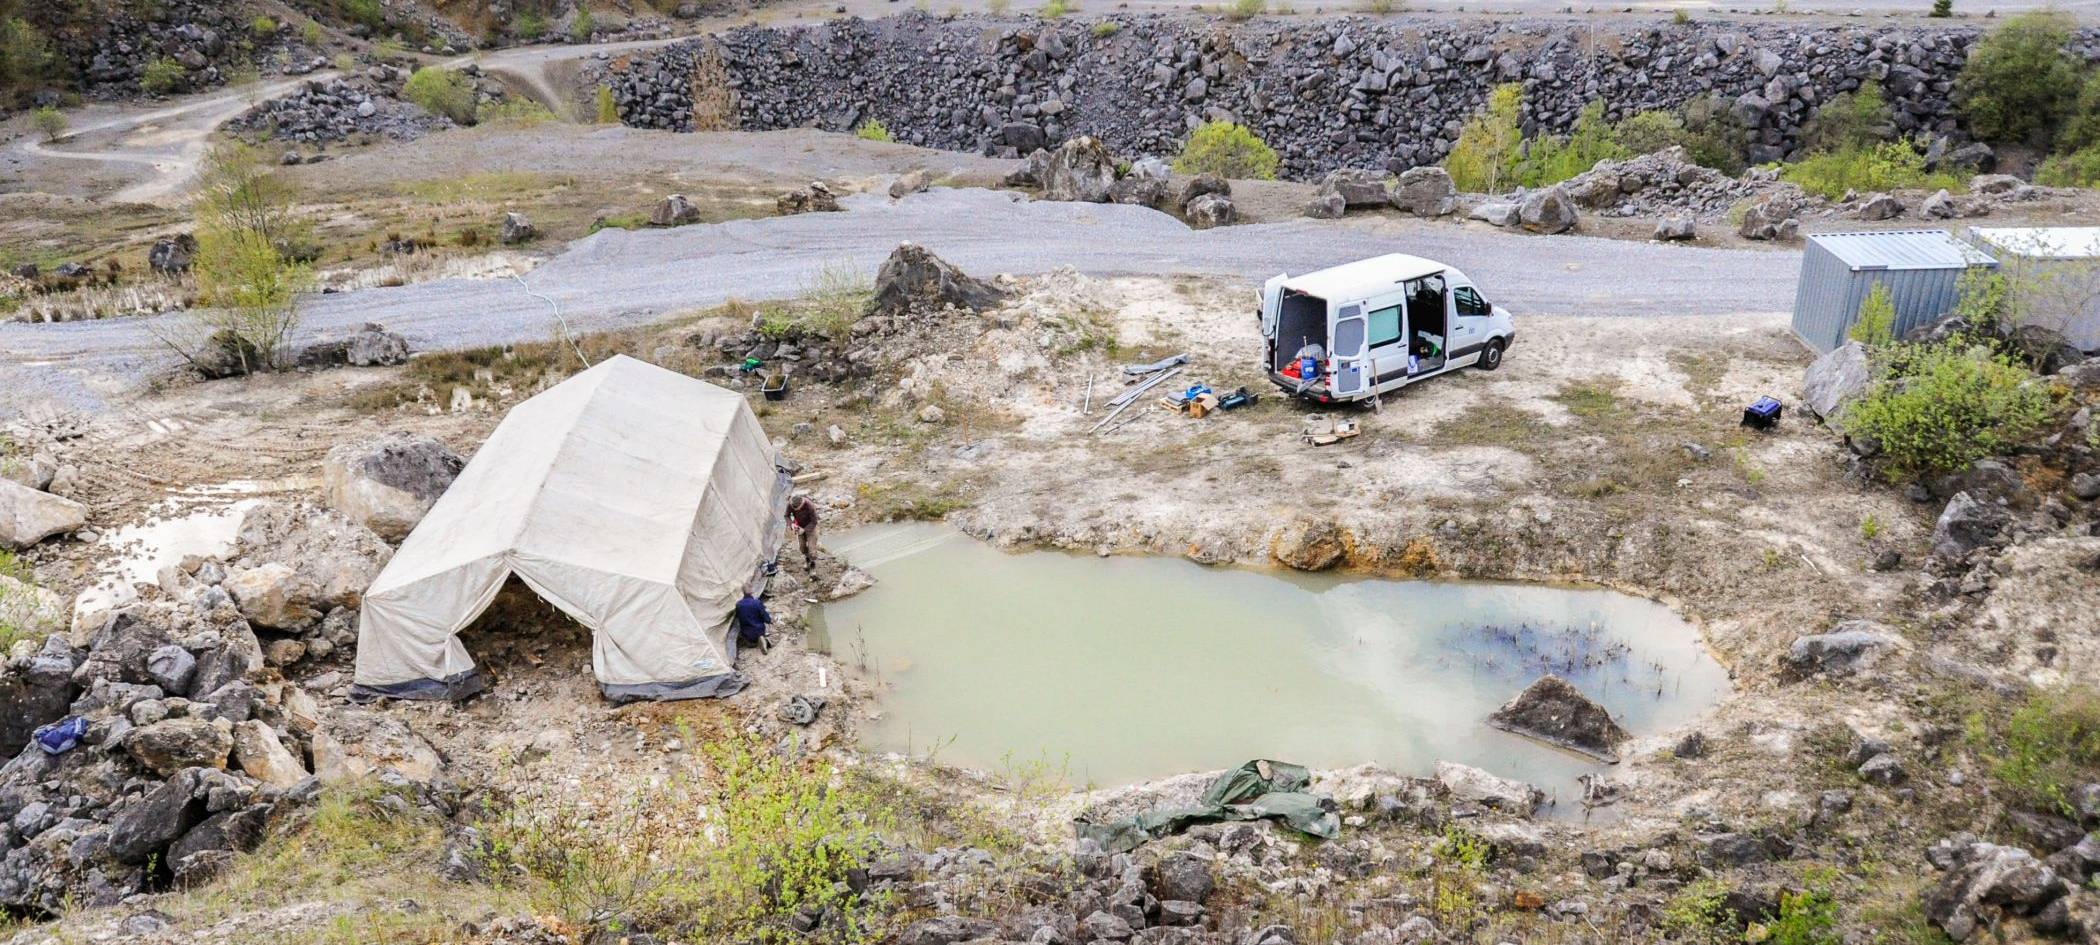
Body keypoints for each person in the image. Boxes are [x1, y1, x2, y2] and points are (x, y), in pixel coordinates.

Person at [786, 493, 821, 566]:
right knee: (802, 548)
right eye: (794, 508)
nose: (796, 510)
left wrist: (804, 530)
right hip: (799, 527)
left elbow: (814, 521)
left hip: (811, 527)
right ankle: (807, 558)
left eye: (797, 508)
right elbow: (787, 516)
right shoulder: (791, 504)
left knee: (812, 550)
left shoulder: (810, 506)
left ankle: (812, 565)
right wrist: (791, 524)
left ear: (802, 503)